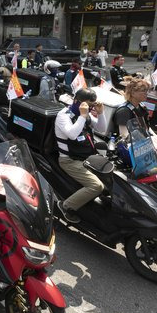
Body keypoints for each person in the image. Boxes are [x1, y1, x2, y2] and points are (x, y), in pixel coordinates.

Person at [55, 88, 107, 223]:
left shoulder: (85, 114)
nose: (90, 109)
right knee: (97, 186)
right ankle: (66, 206)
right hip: (69, 161)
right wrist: (83, 116)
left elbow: (102, 129)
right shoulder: (64, 115)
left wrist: (101, 114)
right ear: (77, 101)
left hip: (88, 158)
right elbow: (72, 135)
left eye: (92, 106)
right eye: (87, 105)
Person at [112, 79, 157, 181]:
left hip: (145, 142)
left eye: (147, 90)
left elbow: (147, 128)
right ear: (133, 92)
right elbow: (124, 135)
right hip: (132, 147)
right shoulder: (124, 111)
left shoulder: (141, 107)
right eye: (143, 90)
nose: (146, 93)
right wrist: (147, 143)